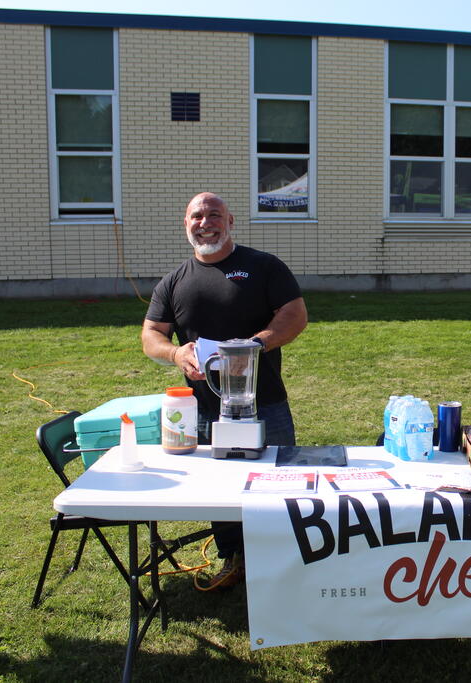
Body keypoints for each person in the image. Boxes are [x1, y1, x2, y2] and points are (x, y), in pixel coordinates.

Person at [142, 192, 307, 590]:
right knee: (221, 489)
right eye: (197, 216)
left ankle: (285, 565)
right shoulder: (174, 282)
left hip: (265, 403)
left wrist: (255, 346)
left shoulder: (263, 267)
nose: (206, 223)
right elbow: (151, 335)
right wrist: (175, 352)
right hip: (204, 409)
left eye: (214, 215)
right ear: (186, 224)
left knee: (280, 483)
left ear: (230, 221)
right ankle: (233, 558)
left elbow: (295, 315)